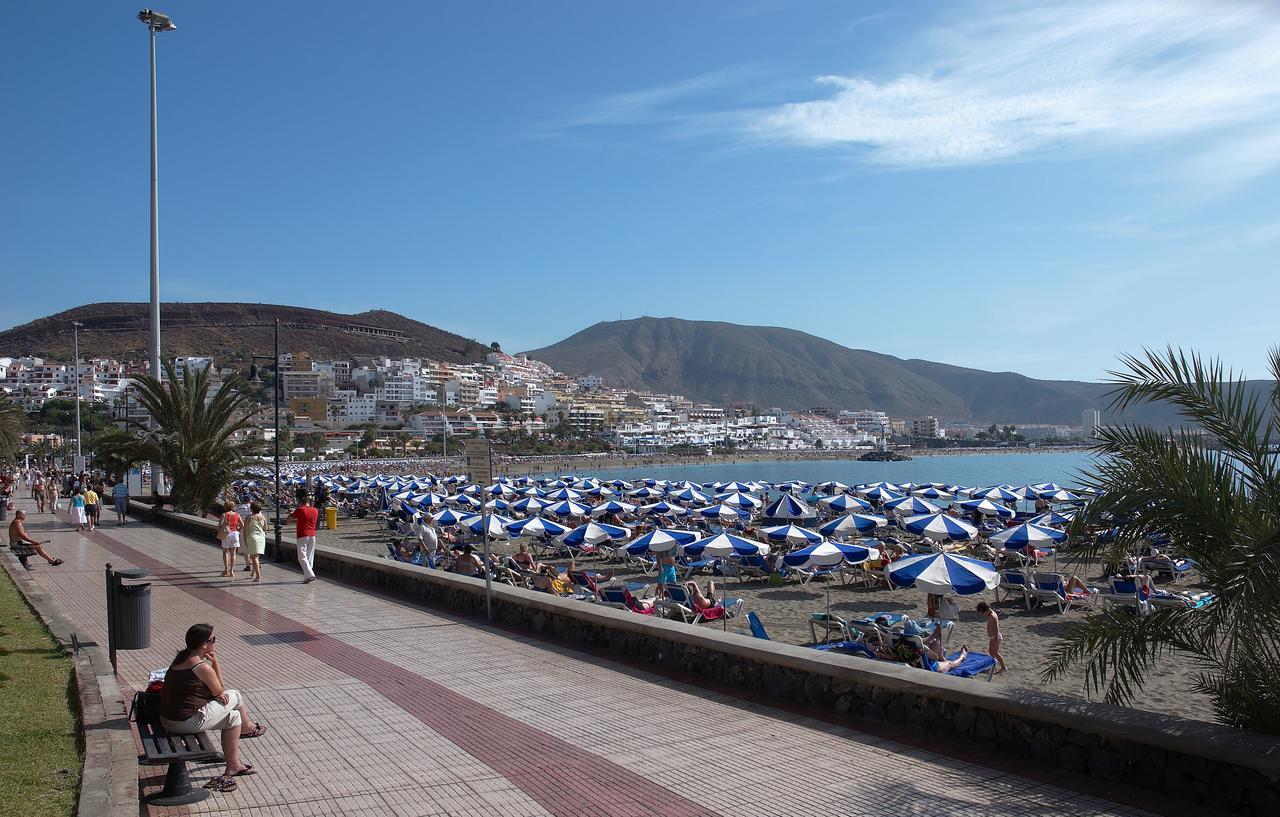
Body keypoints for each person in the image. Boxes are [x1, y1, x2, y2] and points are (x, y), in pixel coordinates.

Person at [159, 623, 265, 791]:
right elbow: (220, 689)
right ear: (203, 644)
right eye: (213, 639)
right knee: (235, 695)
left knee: (233, 717)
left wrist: (214, 694)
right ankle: (248, 728)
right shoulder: (201, 667)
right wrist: (215, 662)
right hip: (183, 723)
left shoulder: (183, 658)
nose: (215, 642)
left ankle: (233, 766)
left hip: (167, 719)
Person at [289, 496, 319, 583]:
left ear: (300, 502)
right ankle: (307, 576)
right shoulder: (315, 510)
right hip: (312, 534)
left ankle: (310, 574)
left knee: (302, 557)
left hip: (302, 534)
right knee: (310, 556)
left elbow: (289, 520)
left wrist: (291, 512)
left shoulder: (300, 509)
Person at [975, 601, 1006, 674]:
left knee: (995, 652)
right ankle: (993, 665)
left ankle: (1003, 667)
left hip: (995, 637)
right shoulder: (989, 613)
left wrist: (996, 636)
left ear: (985, 610)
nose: (982, 615)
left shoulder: (992, 616)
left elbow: (996, 627)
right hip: (993, 636)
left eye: (982, 613)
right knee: (991, 651)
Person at [217, 500, 242, 578]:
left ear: (225, 507)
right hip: (235, 533)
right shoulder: (237, 514)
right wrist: (238, 529)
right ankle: (232, 571)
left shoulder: (224, 514)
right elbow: (242, 525)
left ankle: (226, 570)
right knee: (233, 553)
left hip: (227, 533)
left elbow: (219, 526)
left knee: (225, 552)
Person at [243, 502, 268, 583]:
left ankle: (258, 576)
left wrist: (245, 540)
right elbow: (265, 529)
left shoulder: (249, 518)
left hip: (253, 537)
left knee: (254, 557)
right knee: (256, 556)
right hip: (261, 537)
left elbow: (245, 530)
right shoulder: (263, 517)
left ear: (252, 509)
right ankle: (253, 573)